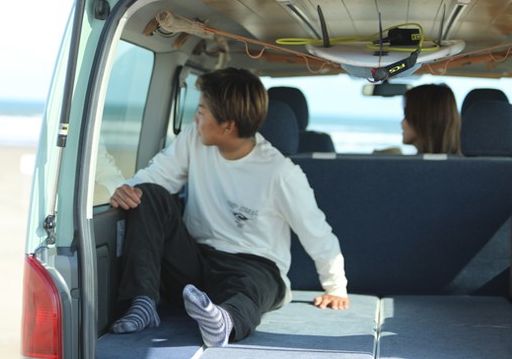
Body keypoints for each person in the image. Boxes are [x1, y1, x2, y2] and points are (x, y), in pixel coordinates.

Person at [108, 67, 349, 348]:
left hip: (254, 266)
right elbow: (158, 175)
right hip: (197, 260)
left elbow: (316, 231)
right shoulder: (194, 138)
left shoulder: (281, 173)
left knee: (250, 286)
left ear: (228, 125)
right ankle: (143, 302)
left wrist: (336, 288)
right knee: (148, 194)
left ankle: (224, 321)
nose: (196, 118)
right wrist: (126, 190)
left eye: (202, 112)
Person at [402, 84, 461, 154]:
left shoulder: (411, 161)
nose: (402, 123)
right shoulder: (460, 160)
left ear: (423, 120)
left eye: (406, 115)